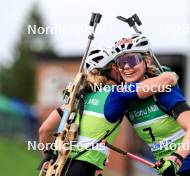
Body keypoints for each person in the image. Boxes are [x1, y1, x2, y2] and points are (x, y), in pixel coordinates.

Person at [38, 47, 178, 176]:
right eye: (118, 66)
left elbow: (44, 130)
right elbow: (167, 80)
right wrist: (165, 74)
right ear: (113, 70)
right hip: (83, 170)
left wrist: (46, 158)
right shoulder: (116, 94)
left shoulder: (76, 98)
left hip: (56, 168)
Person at [104, 33, 190, 176]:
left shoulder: (164, 91)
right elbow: (109, 113)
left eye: (132, 60)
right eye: (121, 62)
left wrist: (176, 159)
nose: (126, 67)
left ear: (147, 60)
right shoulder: (122, 96)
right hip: (169, 170)